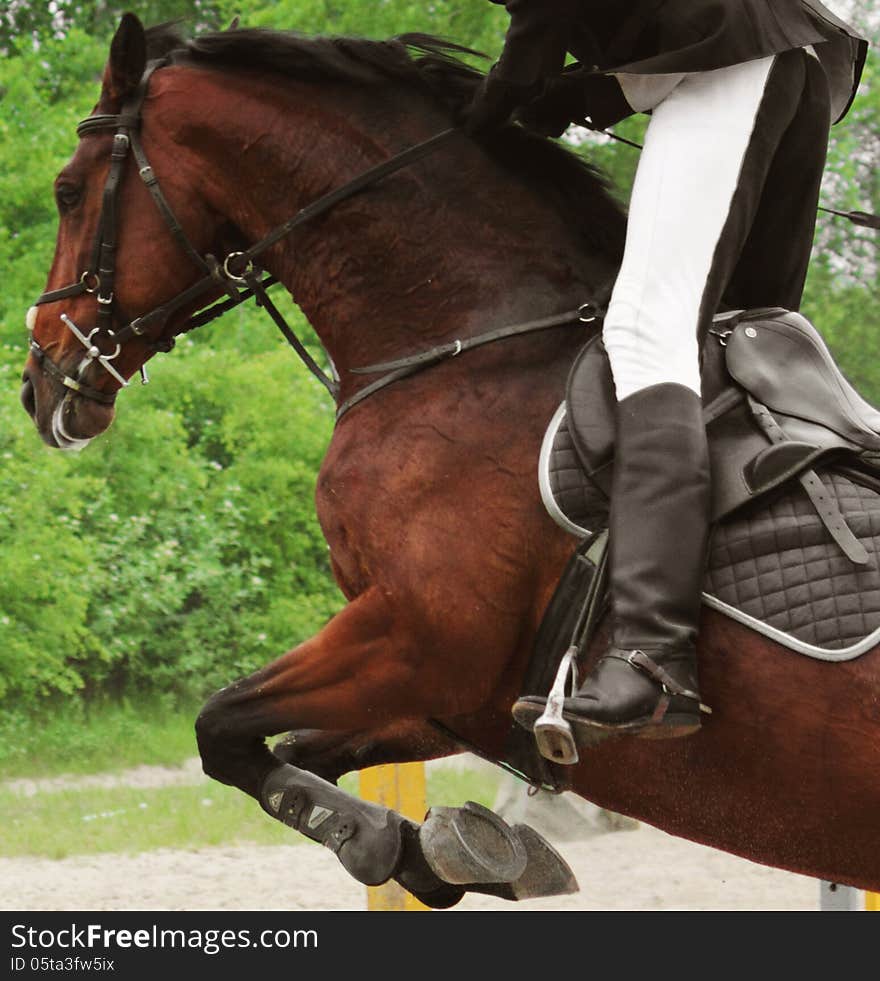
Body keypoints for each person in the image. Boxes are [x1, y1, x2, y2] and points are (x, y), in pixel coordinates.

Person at [462, 1, 867, 743]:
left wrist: (499, 97)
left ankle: (653, 656)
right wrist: (582, 95)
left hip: (739, 57)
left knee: (650, 333)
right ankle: (766, 642)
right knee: (736, 346)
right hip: (792, 61)